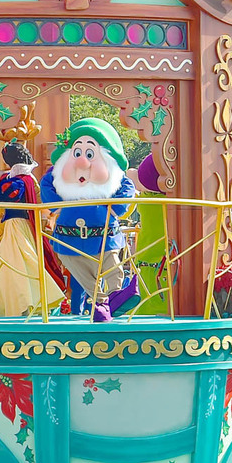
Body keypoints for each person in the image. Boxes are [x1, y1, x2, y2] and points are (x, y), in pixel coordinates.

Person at [40, 118, 137, 322]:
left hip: (104, 237)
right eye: (77, 153)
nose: (82, 162)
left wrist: (116, 208)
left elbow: (127, 187)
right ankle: (101, 302)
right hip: (69, 240)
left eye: (90, 154)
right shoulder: (58, 176)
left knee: (112, 265)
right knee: (80, 271)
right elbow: (46, 184)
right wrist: (58, 205)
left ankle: (117, 295)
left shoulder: (114, 176)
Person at [0, 139, 65, 318]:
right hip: (19, 225)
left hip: (17, 225)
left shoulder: (19, 181)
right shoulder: (24, 177)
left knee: (19, 263)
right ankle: (25, 304)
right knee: (15, 264)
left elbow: (0, 197)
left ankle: (28, 304)